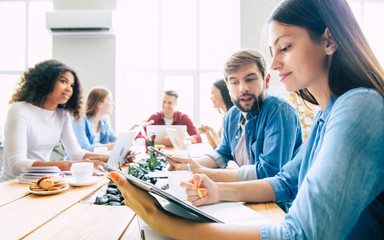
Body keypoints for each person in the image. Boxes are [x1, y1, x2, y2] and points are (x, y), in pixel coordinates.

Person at [109, 0, 384, 239]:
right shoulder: (331, 112)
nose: (274, 63)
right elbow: (286, 181)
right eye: (272, 50)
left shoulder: (360, 106)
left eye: (285, 46)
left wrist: (166, 223)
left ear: (329, 40)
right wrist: (218, 191)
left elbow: (301, 234)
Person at [168, 49, 302, 186]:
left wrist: (203, 172)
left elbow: (269, 173)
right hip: (248, 197)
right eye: (234, 82)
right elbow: (222, 153)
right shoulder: (232, 115)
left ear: (266, 81)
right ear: (228, 86)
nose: (243, 88)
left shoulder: (280, 110)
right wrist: (189, 165)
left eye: (250, 79)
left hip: (278, 205)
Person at [0, 59, 108, 182]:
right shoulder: (20, 109)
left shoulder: (62, 114)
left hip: (43, 183)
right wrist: (67, 165)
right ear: (46, 82)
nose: (69, 89)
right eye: (63, 81)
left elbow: (76, 153)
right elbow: (17, 166)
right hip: (12, 185)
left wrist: (108, 158)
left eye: (72, 85)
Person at [72, 87, 116, 152]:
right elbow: (84, 148)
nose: (113, 104)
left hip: (96, 160)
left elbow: (114, 139)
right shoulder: (79, 120)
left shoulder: (104, 121)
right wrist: (113, 146)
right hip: (78, 161)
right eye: (109, 100)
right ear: (99, 104)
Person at [197, 79, 234, 149]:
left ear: (224, 92)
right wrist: (207, 132)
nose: (211, 98)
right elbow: (215, 146)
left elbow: (223, 147)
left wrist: (211, 130)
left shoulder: (233, 116)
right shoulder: (225, 116)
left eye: (213, 93)